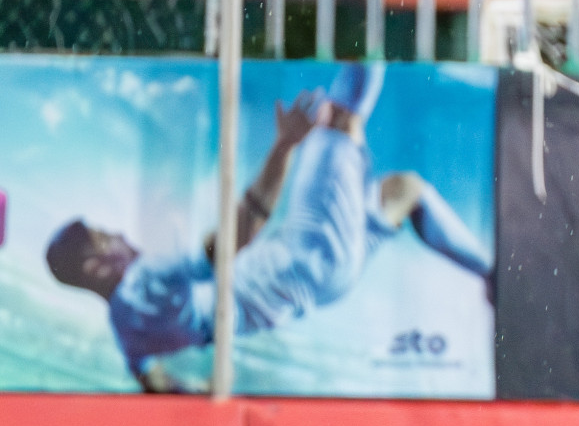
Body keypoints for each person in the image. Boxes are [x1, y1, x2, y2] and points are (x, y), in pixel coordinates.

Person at [45, 64, 493, 391]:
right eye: (109, 237)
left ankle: (491, 275)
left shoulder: (125, 331)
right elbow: (233, 241)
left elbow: (152, 381)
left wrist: (197, 395)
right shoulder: (148, 276)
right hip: (308, 252)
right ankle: (377, 20)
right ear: (96, 266)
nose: (123, 236)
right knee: (339, 118)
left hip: (325, 287)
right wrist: (284, 146)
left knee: (404, 191)